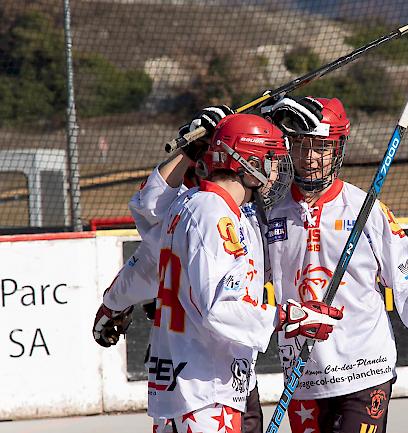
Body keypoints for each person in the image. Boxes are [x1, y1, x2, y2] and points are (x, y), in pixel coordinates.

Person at [94, 112, 344, 433]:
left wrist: (191, 152)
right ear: (248, 162)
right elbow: (218, 309)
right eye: (270, 159)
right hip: (204, 388)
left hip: (191, 388)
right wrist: (288, 317)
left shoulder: (192, 205)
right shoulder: (214, 215)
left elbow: (149, 206)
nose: (276, 172)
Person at [260, 96, 408, 433]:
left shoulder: (364, 209)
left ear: (337, 149)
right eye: (301, 145)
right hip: (304, 374)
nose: (310, 157)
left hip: (364, 369)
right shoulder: (272, 213)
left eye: (321, 148)